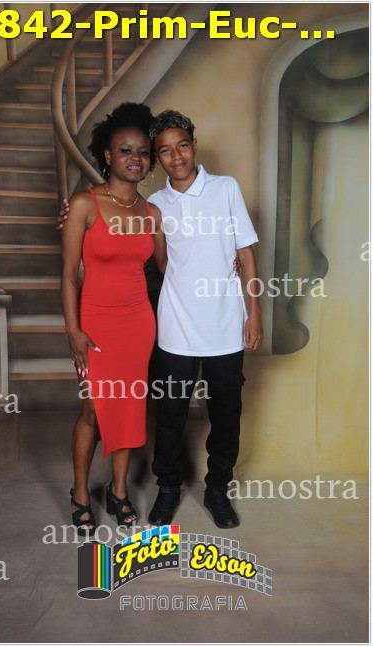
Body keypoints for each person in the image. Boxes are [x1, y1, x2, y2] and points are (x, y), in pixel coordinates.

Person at [59, 109, 262, 530]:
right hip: (140, 326)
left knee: (199, 413)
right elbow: (80, 272)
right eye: (162, 150)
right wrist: (73, 329)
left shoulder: (191, 198)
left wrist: (248, 305)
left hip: (186, 324)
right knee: (137, 414)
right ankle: (140, 489)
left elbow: (216, 256)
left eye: (180, 146)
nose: (173, 156)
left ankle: (194, 490)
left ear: (192, 146)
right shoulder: (130, 205)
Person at [60, 103, 165, 535]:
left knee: (128, 409)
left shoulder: (151, 212)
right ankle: (80, 493)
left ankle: (118, 491)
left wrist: (226, 264)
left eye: (142, 152)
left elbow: (169, 267)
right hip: (94, 325)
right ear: (108, 155)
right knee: (93, 411)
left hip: (138, 324)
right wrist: (73, 330)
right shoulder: (83, 204)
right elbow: (69, 275)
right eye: (125, 150)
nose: (135, 158)